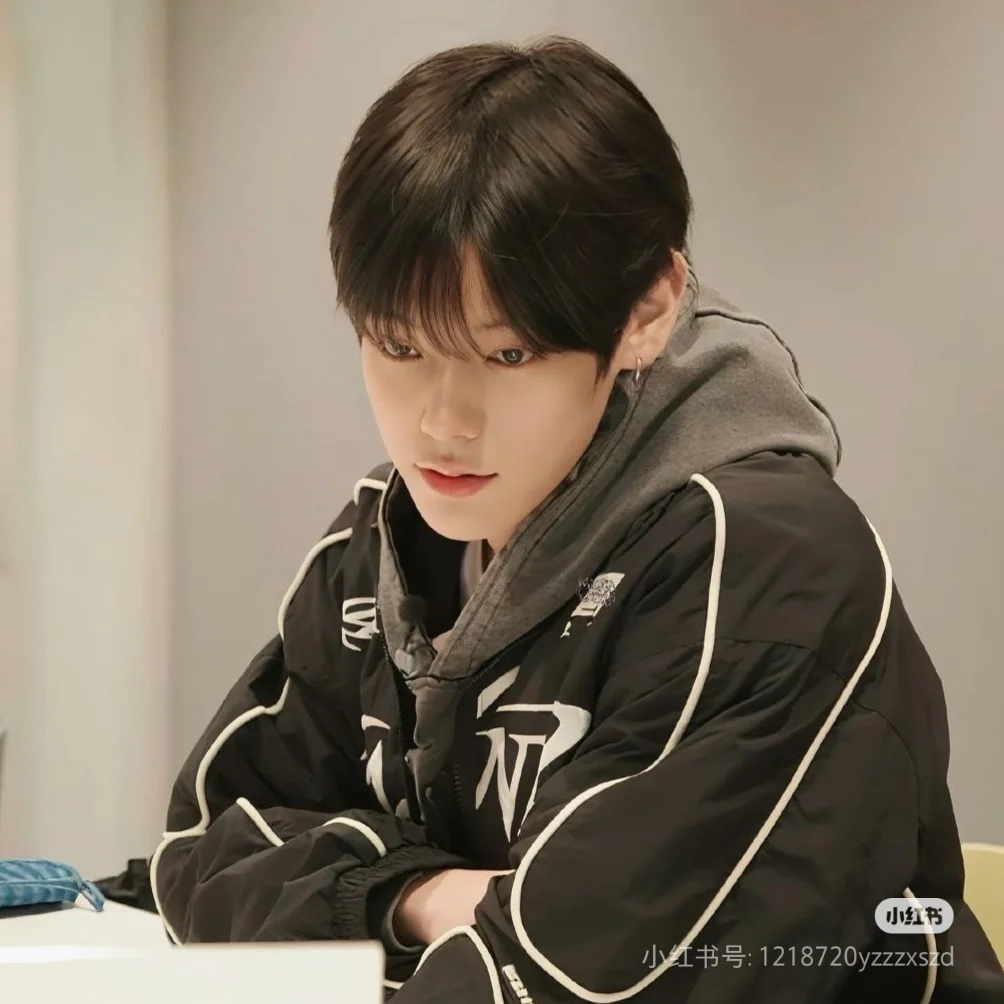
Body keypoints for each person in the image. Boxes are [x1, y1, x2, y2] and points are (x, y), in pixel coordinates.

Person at [150, 35, 1004, 1004]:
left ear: (647, 309)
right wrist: (418, 895)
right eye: (398, 346)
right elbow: (203, 854)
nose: (441, 422)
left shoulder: (767, 571)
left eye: (508, 355)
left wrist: (375, 906)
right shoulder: (383, 541)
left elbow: (579, 980)